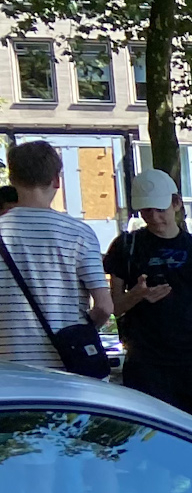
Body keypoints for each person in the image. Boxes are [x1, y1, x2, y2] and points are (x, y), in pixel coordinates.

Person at [104, 168, 192, 422]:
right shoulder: (126, 247)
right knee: (152, 436)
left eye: (160, 209)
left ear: (176, 204)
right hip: (147, 362)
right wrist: (137, 294)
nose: (154, 218)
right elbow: (113, 306)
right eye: (147, 212)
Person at [0, 141, 111, 371]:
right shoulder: (80, 234)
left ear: (12, 180)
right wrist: (82, 330)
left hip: (8, 373)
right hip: (68, 368)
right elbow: (104, 306)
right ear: (56, 180)